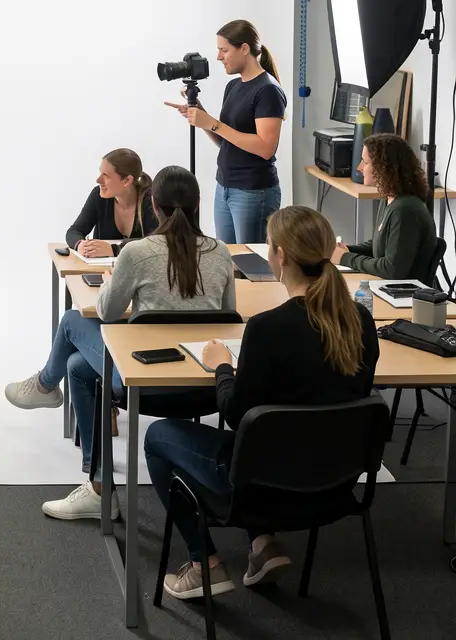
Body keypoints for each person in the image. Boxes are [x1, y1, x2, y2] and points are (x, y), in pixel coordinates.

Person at [145, 206, 380, 601]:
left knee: (158, 436)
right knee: (274, 438)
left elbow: (236, 414)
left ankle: (205, 564)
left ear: (280, 255)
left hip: (258, 487)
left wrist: (222, 367)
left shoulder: (267, 329)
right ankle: (262, 545)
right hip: (336, 484)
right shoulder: (360, 319)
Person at [6, 165, 234, 521]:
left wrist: (114, 279)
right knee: (78, 366)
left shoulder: (138, 253)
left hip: (143, 384)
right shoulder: (220, 252)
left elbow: (106, 312)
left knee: (71, 322)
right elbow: (229, 315)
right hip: (206, 387)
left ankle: (94, 477)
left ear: (153, 204)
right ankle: (95, 485)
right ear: (199, 203)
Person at [165, 19, 286, 244]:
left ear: (244, 49)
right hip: (225, 187)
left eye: (224, 50)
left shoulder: (267, 90)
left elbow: (265, 148)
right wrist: (199, 114)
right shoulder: (234, 85)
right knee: (228, 261)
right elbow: (227, 141)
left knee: (251, 266)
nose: (219, 57)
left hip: (253, 191)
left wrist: (212, 122)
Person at [333, 133, 437, 281]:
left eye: (365, 162)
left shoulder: (404, 210)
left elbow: (392, 269)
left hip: (407, 296)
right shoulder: (389, 200)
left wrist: (345, 258)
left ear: (384, 167)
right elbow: (379, 246)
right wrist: (348, 250)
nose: (359, 168)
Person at [66, 148, 159, 256]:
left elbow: (155, 242)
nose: (98, 180)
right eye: (100, 172)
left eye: (106, 175)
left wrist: (114, 249)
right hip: (100, 270)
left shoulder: (149, 199)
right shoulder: (98, 195)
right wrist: (80, 245)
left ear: (127, 180)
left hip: (136, 271)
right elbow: (74, 231)